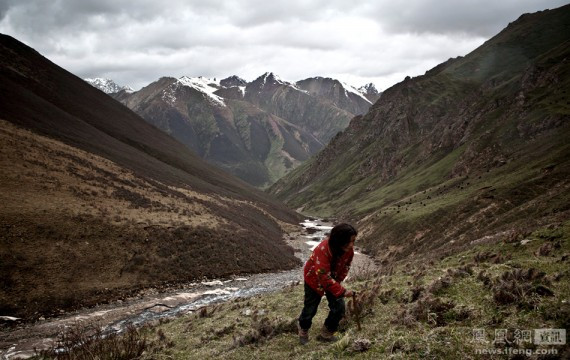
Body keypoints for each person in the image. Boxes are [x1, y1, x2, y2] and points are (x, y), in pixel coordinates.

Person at [298, 223, 357, 344]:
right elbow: (323, 276)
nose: (351, 245)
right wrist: (342, 291)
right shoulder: (323, 249)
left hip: (332, 280)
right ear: (339, 240)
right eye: (348, 241)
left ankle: (326, 333)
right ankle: (303, 328)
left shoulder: (349, 250)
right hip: (314, 279)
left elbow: (346, 266)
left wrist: (338, 282)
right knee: (310, 308)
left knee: (339, 308)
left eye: (353, 241)